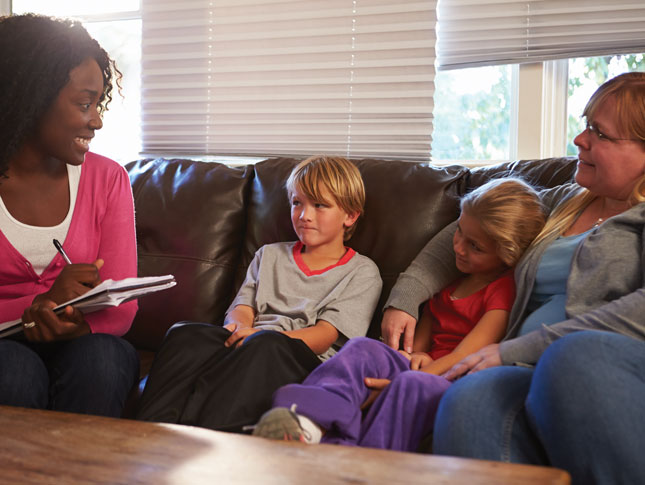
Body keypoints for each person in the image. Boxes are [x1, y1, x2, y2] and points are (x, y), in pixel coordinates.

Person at [386, 72, 645, 484]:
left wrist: (514, 350)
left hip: (600, 368)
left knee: (571, 358)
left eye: (600, 132)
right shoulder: (566, 199)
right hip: (521, 365)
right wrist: (406, 296)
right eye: (585, 123)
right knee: (468, 399)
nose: (580, 139)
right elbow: (475, 222)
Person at [251, 178, 546, 452]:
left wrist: (408, 376)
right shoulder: (451, 283)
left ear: (508, 255)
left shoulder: (503, 291)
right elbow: (417, 345)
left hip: (458, 379)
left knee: (411, 385)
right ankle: (307, 422)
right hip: (428, 367)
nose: (457, 247)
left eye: (475, 246)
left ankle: (365, 461)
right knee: (362, 348)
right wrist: (413, 357)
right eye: (458, 232)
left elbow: (465, 356)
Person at [136, 155, 382, 432]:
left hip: (302, 358)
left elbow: (325, 335)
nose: (304, 215)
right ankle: (150, 434)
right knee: (185, 334)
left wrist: (261, 337)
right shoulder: (269, 255)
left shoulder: (361, 271)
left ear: (350, 215)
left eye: (320, 205)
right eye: (297, 203)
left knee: (265, 345)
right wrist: (240, 330)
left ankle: (212, 440)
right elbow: (242, 306)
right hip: (251, 344)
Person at [0, 14, 139, 417]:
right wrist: (36, 307)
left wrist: (64, 319)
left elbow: (123, 306)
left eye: (98, 102)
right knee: (14, 368)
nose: (96, 119)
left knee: (104, 359)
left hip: (82, 342)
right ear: (30, 97)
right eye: (84, 103)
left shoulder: (108, 178)